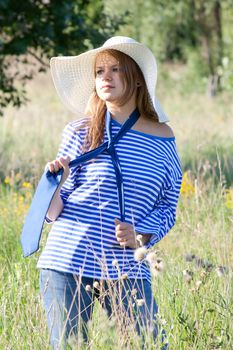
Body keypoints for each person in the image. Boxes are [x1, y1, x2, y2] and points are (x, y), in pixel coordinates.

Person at [37, 36, 182, 349]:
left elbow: (168, 206)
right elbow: (52, 213)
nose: (105, 76)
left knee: (152, 344)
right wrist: (54, 183)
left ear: (138, 80)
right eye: (100, 71)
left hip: (128, 265)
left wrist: (142, 233)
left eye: (116, 69)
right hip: (67, 262)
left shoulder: (163, 137)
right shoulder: (80, 130)